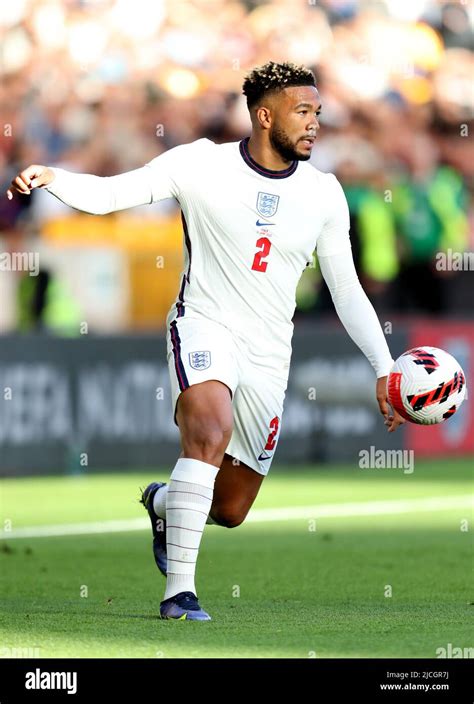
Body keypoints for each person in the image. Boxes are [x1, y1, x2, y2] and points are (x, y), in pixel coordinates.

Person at [7, 61, 405, 621]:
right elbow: (114, 193)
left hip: (270, 352)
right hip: (203, 323)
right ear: (265, 116)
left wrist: (384, 368)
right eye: (302, 111)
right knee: (209, 430)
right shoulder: (200, 163)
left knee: (233, 507)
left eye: (318, 112)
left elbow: (347, 291)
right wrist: (55, 176)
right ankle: (180, 594)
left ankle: (165, 503)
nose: (315, 123)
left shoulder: (324, 193)